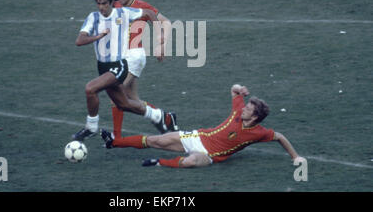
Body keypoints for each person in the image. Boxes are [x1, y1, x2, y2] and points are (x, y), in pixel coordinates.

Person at [101, 84, 304, 168]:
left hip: (211, 155)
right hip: (197, 137)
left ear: (255, 116)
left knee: (191, 162)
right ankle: (114, 142)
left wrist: (296, 157)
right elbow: (233, 91)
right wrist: (239, 88)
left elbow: (280, 136)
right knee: (155, 140)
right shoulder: (238, 110)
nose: (243, 109)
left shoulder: (259, 133)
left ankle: (158, 162)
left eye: (248, 109)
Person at [72, 0, 177, 141]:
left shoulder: (123, 13)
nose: (101, 7)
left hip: (119, 66)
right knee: (123, 104)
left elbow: (148, 13)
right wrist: (98, 36)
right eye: (98, 4)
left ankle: (91, 127)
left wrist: (160, 36)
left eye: (104, 3)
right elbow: (79, 41)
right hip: (103, 67)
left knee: (90, 89)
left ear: (111, 2)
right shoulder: (93, 17)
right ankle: (158, 115)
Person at [110, 0, 173, 139]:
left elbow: (165, 22)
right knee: (132, 99)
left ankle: (116, 138)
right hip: (120, 58)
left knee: (116, 95)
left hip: (134, 57)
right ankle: (164, 117)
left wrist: (162, 45)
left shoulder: (142, 7)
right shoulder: (113, 5)